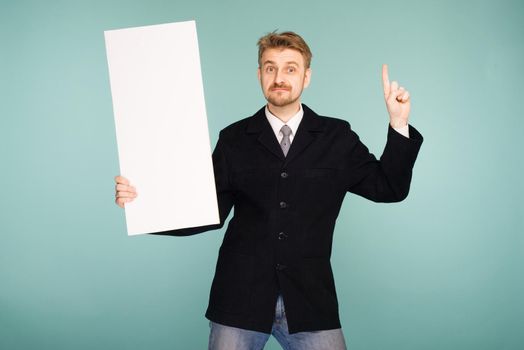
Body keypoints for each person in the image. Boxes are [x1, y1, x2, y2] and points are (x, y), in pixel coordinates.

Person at [114, 31, 423, 350]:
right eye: (270, 67)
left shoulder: (337, 137)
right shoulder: (234, 139)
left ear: (307, 76)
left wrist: (399, 124)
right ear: (260, 74)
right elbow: (208, 212)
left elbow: (389, 187)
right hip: (239, 299)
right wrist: (144, 205)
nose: (279, 77)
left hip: (310, 300)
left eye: (290, 68)